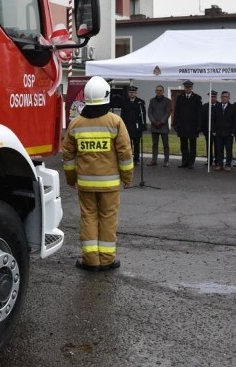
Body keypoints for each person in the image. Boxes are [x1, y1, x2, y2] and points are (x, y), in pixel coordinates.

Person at [63, 76, 134, 271]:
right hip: (110, 185)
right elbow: (125, 153)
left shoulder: (75, 124)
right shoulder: (115, 122)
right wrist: (127, 178)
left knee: (89, 218)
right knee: (108, 219)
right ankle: (107, 259)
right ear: (106, 97)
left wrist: (71, 179)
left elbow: (68, 156)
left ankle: (91, 260)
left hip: (85, 184)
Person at [173, 80, 203, 169]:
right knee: (183, 145)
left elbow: (199, 113)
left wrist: (199, 125)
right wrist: (175, 123)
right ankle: (184, 161)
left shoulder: (197, 98)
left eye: (189, 87)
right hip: (182, 126)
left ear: (192, 88)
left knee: (192, 145)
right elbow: (177, 111)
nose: (187, 88)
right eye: (186, 87)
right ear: (184, 88)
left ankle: (191, 162)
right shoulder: (180, 97)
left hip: (193, 126)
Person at [120, 85, 147, 165]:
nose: (131, 94)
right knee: (128, 143)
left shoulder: (140, 102)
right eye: (130, 92)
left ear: (136, 93)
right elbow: (123, 114)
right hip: (127, 125)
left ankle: (136, 158)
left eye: (133, 92)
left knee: (136, 143)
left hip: (136, 126)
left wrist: (143, 126)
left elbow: (143, 115)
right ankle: (129, 157)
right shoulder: (125, 102)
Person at [211, 90, 236, 170]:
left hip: (229, 133)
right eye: (222, 97)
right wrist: (213, 130)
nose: (224, 98)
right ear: (221, 97)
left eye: (226, 97)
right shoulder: (216, 107)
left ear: (229, 98)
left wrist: (233, 132)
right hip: (218, 132)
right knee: (219, 149)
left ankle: (228, 164)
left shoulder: (233, 107)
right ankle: (219, 164)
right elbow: (213, 119)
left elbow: (235, 121)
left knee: (228, 149)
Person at [147, 85, 172, 167]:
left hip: (163, 126)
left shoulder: (167, 101)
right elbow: (149, 112)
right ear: (155, 91)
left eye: (160, 90)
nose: (159, 91)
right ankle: (154, 160)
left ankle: (166, 161)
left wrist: (161, 122)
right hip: (154, 126)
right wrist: (153, 121)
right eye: (157, 90)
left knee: (165, 144)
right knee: (154, 144)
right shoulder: (152, 100)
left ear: (163, 91)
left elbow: (168, 112)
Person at [200, 90, 218, 165]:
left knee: (217, 146)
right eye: (211, 97)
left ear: (216, 97)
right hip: (208, 130)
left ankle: (217, 161)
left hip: (217, 131)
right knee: (209, 146)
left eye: (214, 97)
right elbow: (203, 119)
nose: (212, 98)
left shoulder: (220, 106)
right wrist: (203, 130)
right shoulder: (205, 106)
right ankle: (209, 160)